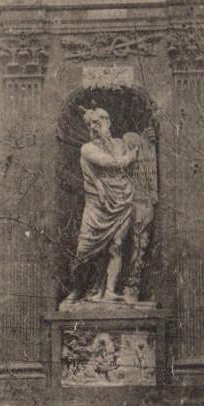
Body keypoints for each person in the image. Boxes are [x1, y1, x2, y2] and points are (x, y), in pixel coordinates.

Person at [62, 109, 151, 306]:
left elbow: (140, 152)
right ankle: (77, 290)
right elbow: (108, 162)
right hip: (97, 205)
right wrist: (129, 157)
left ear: (108, 122)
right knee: (84, 250)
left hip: (122, 200)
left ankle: (110, 291)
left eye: (99, 121)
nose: (95, 127)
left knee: (117, 246)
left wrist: (144, 141)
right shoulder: (87, 149)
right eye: (91, 124)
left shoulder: (120, 144)